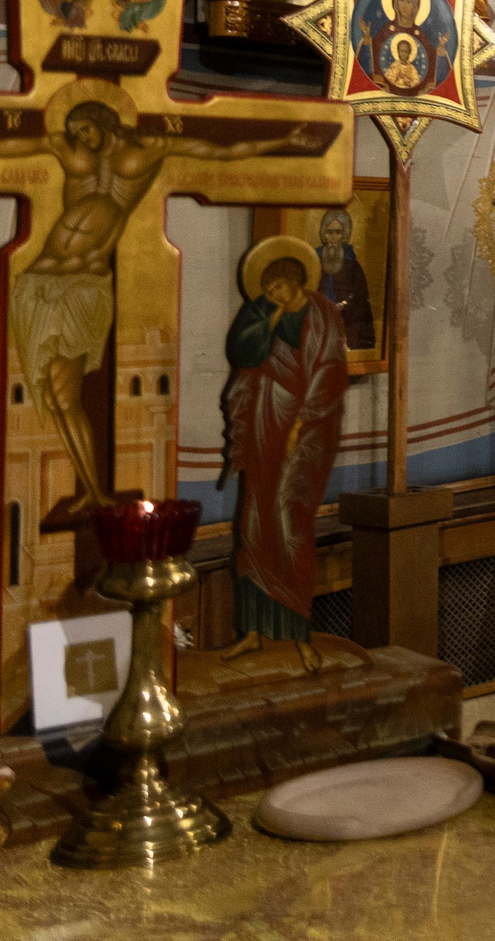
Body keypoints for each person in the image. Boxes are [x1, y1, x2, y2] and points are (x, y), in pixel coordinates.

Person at [0, 103, 334, 524]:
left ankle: (95, 491)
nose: (81, 139)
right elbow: (14, 144)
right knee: (53, 396)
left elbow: (219, 150)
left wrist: (283, 140)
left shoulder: (150, 148)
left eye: (86, 130)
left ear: (104, 121)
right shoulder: (65, 149)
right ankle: (90, 489)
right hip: (39, 283)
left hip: (85, 287)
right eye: (75, 133)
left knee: (66, 396)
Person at [219, 247, 350, 642]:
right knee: (256, 517)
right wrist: (268, 319)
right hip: (264, 418)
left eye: (278, 286)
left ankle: (295, 633)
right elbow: (241, 352)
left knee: (291, 515)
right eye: (268, 287)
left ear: (296, 280)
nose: (273, 292)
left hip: (308, 428)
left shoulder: (325, 313)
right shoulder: (262, 309)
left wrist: (302, 421)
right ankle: (254, 633)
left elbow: (330, 370)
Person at [360, 0, 448, 95]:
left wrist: (441, 50)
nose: (405, 5)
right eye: (401, 0)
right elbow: (370, 61)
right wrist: (366, 39)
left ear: (415, 6)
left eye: (409, 1)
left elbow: (434, 69)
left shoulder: (421, 35)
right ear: (395, 3)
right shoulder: (386, 31)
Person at [315, 207, 376, 351]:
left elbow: (361, 303)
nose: (333, 237)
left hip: (347, 325)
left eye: (338, 232)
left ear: (345, 235)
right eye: (329, 232)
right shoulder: (314, 261)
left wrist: (345, 308)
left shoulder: (353, 266)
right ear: (324, 234)